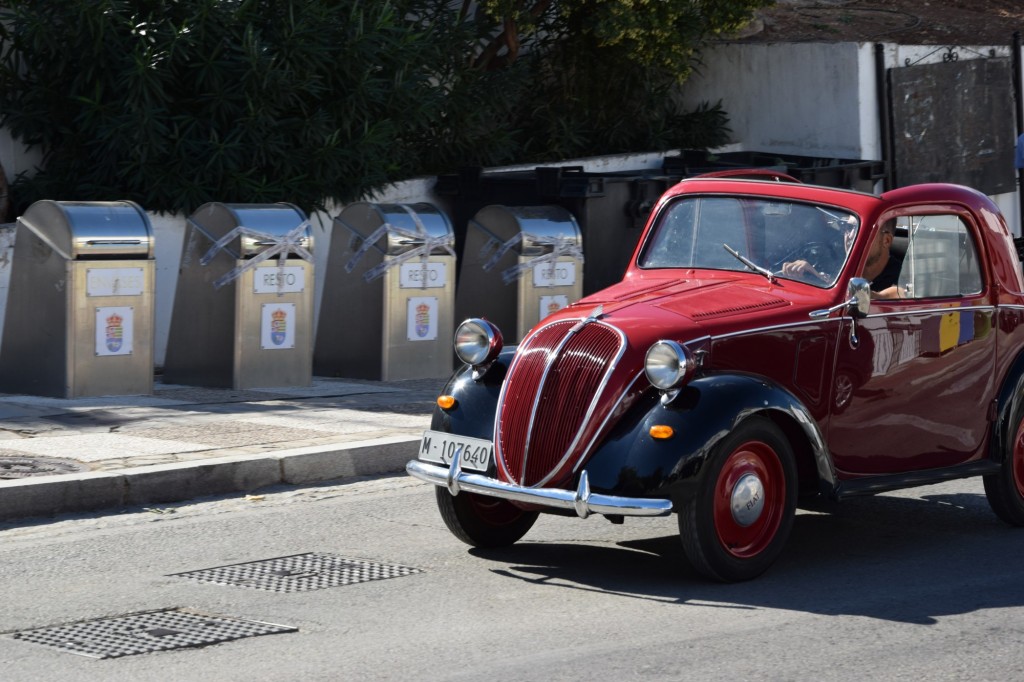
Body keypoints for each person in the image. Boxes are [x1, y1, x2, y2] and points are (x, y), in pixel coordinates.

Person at [863, 220, 903, 299]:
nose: (850, 236)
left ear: (886, 240)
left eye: (864, 231)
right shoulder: (837, 268)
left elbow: (901, 293)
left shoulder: (903, 276)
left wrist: (875, 296)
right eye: (848, 228)